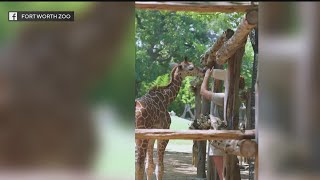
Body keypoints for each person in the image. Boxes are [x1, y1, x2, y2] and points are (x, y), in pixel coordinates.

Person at [200, 68, 225, 179]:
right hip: (225, 135)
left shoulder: (223, 97)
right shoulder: (232, 97)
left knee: (222, 174)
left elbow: (203, 91)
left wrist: (206, 76)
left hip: (219, 137)